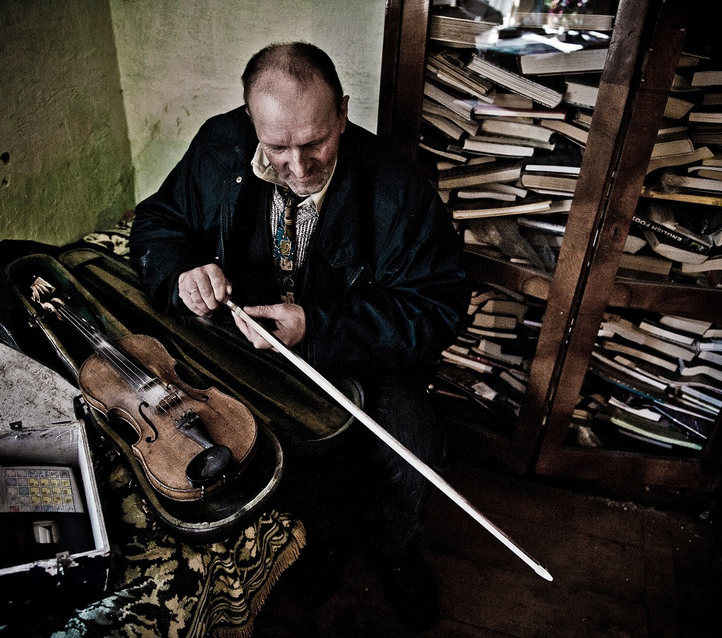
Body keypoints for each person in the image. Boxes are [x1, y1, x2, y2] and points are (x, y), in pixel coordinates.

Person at [129, 41, 468, 630]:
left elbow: (437, 308)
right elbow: (159, 223)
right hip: (243, 349)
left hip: (364, 358)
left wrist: (319, 327)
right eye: (276, 145)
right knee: (254, 448)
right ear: (249, 120)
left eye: (315, 141)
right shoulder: (220, 145)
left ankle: (393, 551)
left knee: (407, 448)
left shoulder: (395, 184)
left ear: (341, 110)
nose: (298, 166)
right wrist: (182, 270)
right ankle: (322, 546)